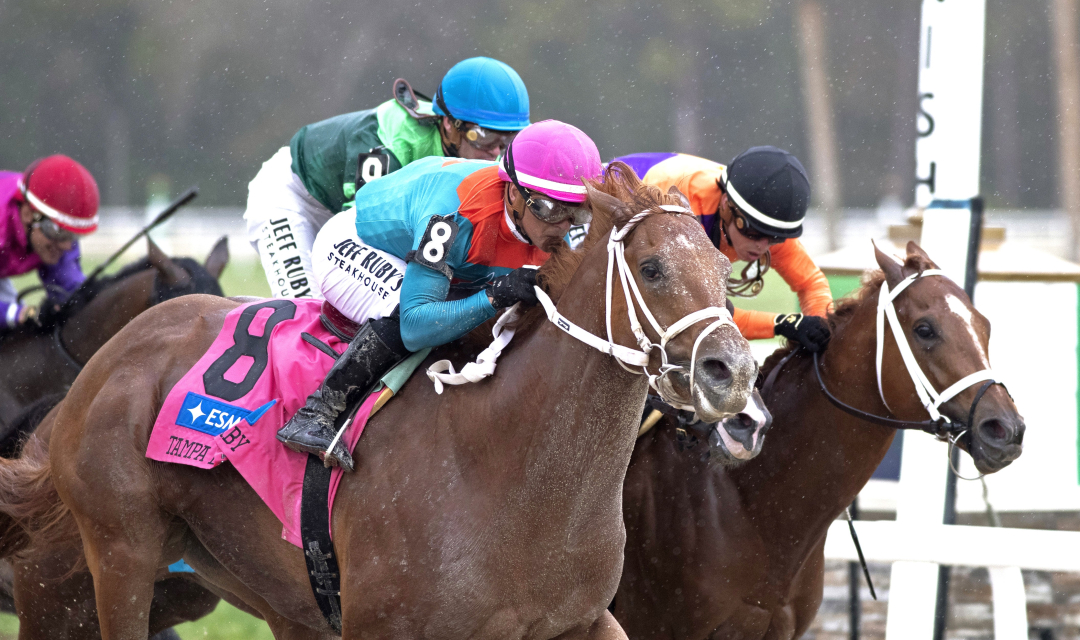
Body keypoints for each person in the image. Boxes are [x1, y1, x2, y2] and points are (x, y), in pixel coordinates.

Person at [277, 119, 602, 470]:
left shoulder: (551, 227)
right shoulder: (453, 214)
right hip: (352, 243)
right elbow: (416, 326)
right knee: (415, 313)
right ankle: (317, 414)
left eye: (577, 213)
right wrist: (494, 296)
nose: (563, 227)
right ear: (513, 193)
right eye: (550, 210)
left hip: (434, 249)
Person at [244, 56, 531, 301]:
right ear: (448, 123)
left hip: (339, 205)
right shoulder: (390, 142)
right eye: (485, 136)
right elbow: (357, 234)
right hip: (289, 197)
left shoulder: (489, 154)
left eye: (508, 139)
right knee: (306, 306)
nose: (496, 150)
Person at [615, 148, 832, 353]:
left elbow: (811, 284)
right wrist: (783, 324)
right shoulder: (688, 211)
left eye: (776, 238)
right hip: (601, 206)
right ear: (727, 206)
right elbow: (703, 317)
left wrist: (819, 329)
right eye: (754, 233)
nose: (762, 246)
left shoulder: (761, 218)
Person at [1, 155, 99, 333]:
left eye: (73, 235)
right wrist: (17, 313)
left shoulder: (55, 237)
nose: (67, 246)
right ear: (27, 214)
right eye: (59, 232)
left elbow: (71, 292)